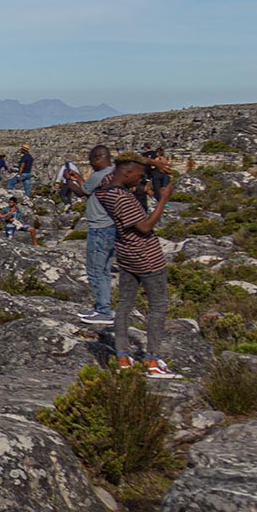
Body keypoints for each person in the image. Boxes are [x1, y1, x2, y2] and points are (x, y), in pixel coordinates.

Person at [98, 158, 181, 378]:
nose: (141, 180)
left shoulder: (104, 190)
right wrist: (163, 200)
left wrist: (151, 162)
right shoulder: (124, 199)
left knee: (124, 304)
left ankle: (122, 356)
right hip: (147, 256)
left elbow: (116, 164)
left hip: (126, 255)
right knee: (158, 307)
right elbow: (144, 227)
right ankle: (151, 360)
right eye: (138, 175)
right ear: (127, 174)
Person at [77, 145, 117, 326]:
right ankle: (103, 306)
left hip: (99, 227)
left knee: (95, 270)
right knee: (105, 270)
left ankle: (103, 310)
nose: (90, 164)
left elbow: (82, 191)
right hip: (110, 227)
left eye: (91, 159)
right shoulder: (115, 173)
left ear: (99, 157)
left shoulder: (99, 175)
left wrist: (69, 182)